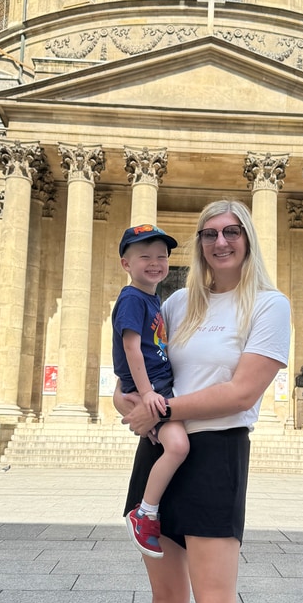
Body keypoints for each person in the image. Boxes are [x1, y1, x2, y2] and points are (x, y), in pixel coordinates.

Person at [117, 200, 292, 603]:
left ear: (247, 240)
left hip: (214, 455)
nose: (220, 242)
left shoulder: (268, 305)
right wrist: (126, 401)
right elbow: (136, 368)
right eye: (210, 233)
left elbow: (243, 392)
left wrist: (160, 410)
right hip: (160, 453)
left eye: (232, 232)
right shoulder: (172, 305)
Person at [112, 224, 190, 558]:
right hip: (153, 388)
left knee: (171, 442)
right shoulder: (132, 298)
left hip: (159, 387)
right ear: (126, 264)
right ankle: (144, 512)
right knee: (178, 446)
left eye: (161, 256)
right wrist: (145, 394)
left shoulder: (152, 299)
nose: (155, 262)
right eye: (145, 257)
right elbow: (131, 348)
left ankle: (148, 509)